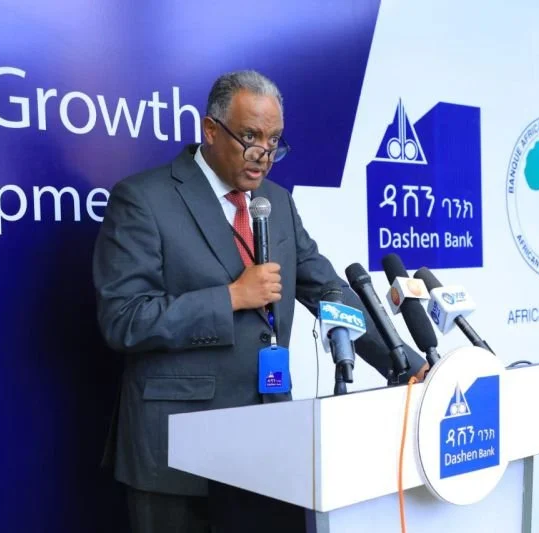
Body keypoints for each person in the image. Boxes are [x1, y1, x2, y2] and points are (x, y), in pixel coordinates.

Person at [92, 70, 428, 533]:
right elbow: (124, 319)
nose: (263, 155)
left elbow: (329, 290)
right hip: (175, 455)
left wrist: (404, 363)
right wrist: (230, 297)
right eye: (250, 137)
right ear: (211, 130)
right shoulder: (143, 199)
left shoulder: (277, 203)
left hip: (269, 446)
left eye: (274, 142)